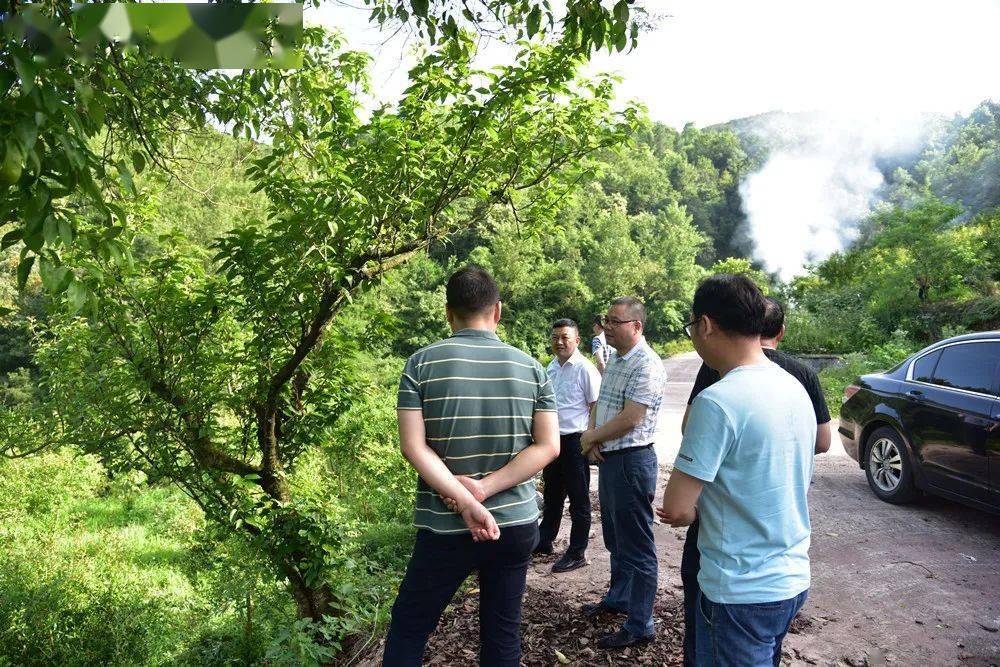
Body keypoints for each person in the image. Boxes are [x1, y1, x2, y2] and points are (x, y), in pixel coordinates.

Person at [382, 265, 560, 667]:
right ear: (497, 311)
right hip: (514, 525)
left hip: (446, 529)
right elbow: (548, 447)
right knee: (502, 633)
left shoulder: (421, 364)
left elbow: (413, 447)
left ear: (448, 312)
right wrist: (483, 489)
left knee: (410, 627)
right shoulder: (532, 368)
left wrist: (465, 498)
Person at [657, 275, 816, 666]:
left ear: (706, 325)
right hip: (791, 578)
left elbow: (676, 508)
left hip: (740, 590)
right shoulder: (794, 386)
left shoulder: (718, 401)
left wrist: (695, 512)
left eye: (691, 326)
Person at [579, 297, 666, 650]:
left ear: (637, 326)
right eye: (607, 320)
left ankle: (641, 623)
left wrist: (590, 437)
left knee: (637, 547)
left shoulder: (647, 364)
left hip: (632, 462)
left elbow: (632, 418)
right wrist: (592, 436)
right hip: (611, 459)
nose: (608, 327)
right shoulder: (616, 358)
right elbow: (601, 402)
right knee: (616, 539)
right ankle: (619, 598)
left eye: (616, 322)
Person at [536, 318, 602, 573]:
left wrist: (592, 438)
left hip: (576, 441)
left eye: (565, 337)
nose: (559, 342)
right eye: (555, 337)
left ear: (577, 340)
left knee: (578, 499)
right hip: (552, 441)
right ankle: (545, 540)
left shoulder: (585, 368)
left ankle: (577, 552)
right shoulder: (550, 368)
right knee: (552, 495)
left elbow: (596, 404)